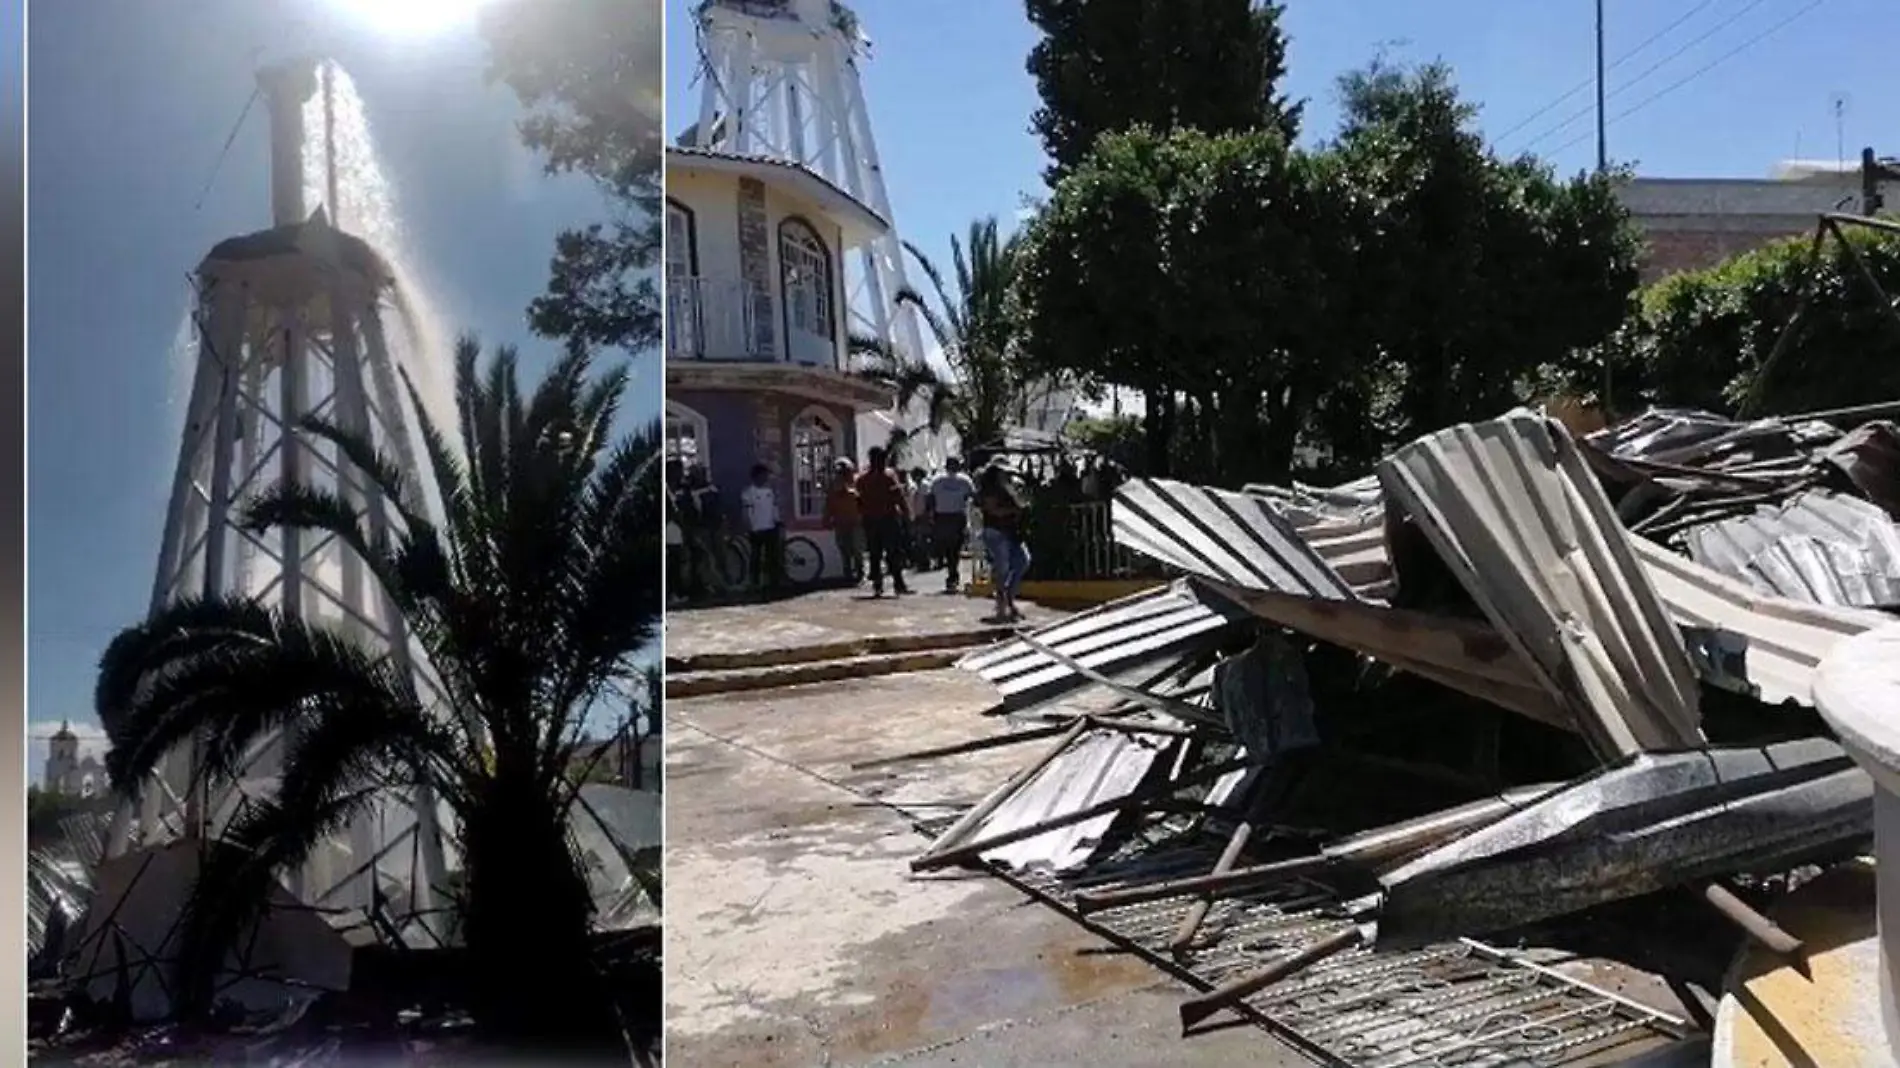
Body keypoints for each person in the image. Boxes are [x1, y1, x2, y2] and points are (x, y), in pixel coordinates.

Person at [976, 458, 1030, 622]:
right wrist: (1015, 509)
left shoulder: (1009, 487)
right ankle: (1002, 605)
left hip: (1010, 532)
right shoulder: (990, 490)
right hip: (996, 532)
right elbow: (994, 511)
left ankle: (1009, 600)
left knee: (1022, 561)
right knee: (1003, 568)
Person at [854, 446, 910, 597]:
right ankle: (898, 584)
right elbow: (899, 497)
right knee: (892, 553)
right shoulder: (888, 476)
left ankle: (878, 586)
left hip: (871, 520)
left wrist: (862, 514)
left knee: (875, 554)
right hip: (887, 519)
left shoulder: (862, 479)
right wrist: (906, 514)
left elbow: (858, 501)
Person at [927, 456, 977, 592]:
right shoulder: (963, 480)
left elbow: (930, 498)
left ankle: (952, 575)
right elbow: (973, 496)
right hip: (952, 516)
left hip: (947, 516)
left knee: (951, 548)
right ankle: (952, 573)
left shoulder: (938, 480)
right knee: (952, 548)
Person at [739, 463, 782, 595]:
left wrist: (778, 521)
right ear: (756, 476)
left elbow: (774, 508)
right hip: (756, 529)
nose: (766, 478)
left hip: (770, 527)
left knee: (772, 556)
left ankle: (773, 582)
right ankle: (755, 582)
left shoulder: (769, 491)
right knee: (756, 557)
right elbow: (746, 512)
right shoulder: (748, 493)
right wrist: (749, 527)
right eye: (763, 475)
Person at [685, 464, 726, 599]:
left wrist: (722, 521)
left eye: (701, 473)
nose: (699, 476)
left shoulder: (712, 488)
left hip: (715, 527)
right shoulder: (689, 492)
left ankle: (720, 584)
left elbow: (719, 506)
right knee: (705, 557)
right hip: (702, 528)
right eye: (696, 473)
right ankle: (708, 585)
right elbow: (691, 512)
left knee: (718, 555)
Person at [825, 458, 864, 583]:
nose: (841, 474)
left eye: (844, 471)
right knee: (844, 549)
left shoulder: (857, 482)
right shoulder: (833, 486)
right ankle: (848, 573)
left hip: (856, 521)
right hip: (840, 521)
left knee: (857, 549)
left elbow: (863, 500)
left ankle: (860, 572)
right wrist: (826, 518)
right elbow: (829, 503)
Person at [907, 465, 933, 571]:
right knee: (917, 540)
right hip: (915, 516)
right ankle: (921, 560)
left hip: (923, 516)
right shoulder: (913, 487)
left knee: (923, 539)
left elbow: (928, 500)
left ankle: (925, 561)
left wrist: (927, 514)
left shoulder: (926, 486)